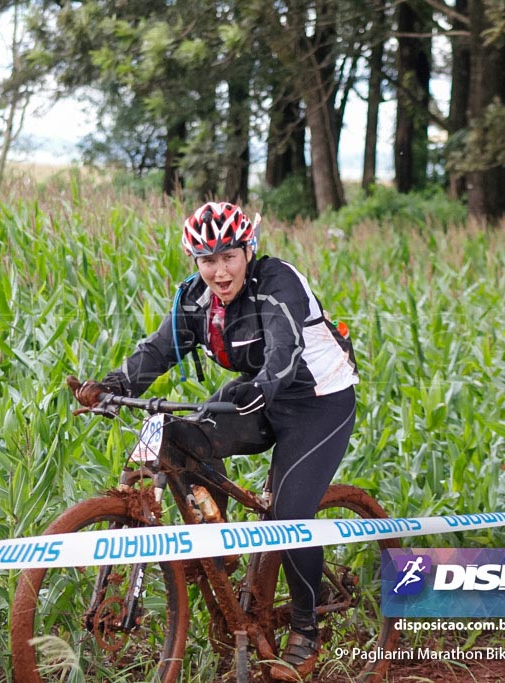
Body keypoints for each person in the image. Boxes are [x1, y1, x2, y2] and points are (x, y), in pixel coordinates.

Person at [72, 201, 359, 680]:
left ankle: (307, 628)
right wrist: (111, 387)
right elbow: (158, 350)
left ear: (249, 250)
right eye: (208, 260)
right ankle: (219, 546)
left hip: (318, 401)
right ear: (195, 263)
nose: (219, 271)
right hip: (260, 394)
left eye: (229, 256)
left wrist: (256, 395)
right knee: (180, 438)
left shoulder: (279, 283)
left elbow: (284, 356)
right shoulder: (194, 300)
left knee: (290, 516)